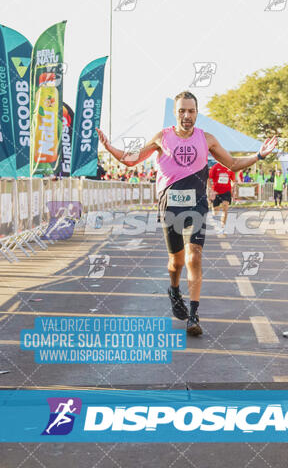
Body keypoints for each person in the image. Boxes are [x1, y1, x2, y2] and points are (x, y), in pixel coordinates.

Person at [96, 91, 277, 335]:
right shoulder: (163, 137)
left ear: (197, 113)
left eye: (191, 111)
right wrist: (109, 147)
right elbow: (132, 160)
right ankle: (173, 289)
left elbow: (232, 164)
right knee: (176, 262)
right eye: (182, 111)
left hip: (197, 204)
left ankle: (194, 314)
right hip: (170, 205)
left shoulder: (208, 139)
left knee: (194, 256)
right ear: (176, 113)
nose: (186, 115)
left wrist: (259, 155)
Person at [208, 161, 236, 234]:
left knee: (225, 209)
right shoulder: (215, 167)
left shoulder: (230, 168)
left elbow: (233, 180)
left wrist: (233, 189)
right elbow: (208, 178)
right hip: (216, 192)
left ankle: (223, 227)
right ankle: (217, 221)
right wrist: (211, 190)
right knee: (215, 212)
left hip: (226, 192)